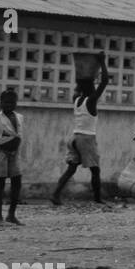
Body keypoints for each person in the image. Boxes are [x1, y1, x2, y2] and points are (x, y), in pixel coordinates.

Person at [50, 57, 110, 205]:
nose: (96, 88)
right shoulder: (91, 101)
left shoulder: (76, 99)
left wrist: (83, 75)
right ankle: (97, 199)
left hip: (74, 138)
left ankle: (55, 194)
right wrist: (102, 62)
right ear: (91, 88)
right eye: (93, 86)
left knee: (71, 169)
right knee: (95, 171)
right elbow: (105, 82)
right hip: (87, 138)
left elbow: (80, 86)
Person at [0, 88, 24, 226]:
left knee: (17, 182)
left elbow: (17, 135)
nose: (9, 105)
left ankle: (11, 215)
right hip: (0, 153)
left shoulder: (19, 117)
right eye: (6, 102)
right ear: (0, 103)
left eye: (12, 102)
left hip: (15, 153)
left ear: (16, 103)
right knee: (0, 184)